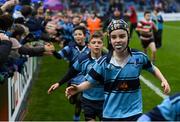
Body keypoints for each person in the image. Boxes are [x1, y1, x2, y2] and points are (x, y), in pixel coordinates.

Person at [65, 19, 171, 121]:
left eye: (122, 36)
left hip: (134, 112)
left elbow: (152, 68)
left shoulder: (139, 57)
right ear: (110, 40)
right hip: (110, 114)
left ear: (128, 36)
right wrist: (78, 88)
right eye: (114, 37)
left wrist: (163, 80)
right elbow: (91, 82)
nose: (118, 40)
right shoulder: (103, 62)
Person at [48, 31, 105, 121]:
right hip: (88, 100)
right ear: (89, 45)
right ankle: (76, 117)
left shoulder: (108, 61)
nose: (96, 45)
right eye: (94, 43)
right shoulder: (82, 59)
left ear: (102, 45)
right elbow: (71, 72)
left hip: (104, 100)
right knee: (77, 102)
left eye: (99, 43)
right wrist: (59, 83)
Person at [51, 25, 90, 121]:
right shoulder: (70, 47)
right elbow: (59, 56)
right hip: (73, 78)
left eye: (80, 34)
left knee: (79, 100)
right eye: (75, 34)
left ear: (84, 36)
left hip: (86, 79)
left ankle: (77, 117)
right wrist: (53, 51)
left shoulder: (90, 48)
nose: (77, 36)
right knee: (74, 101)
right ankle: (78, 112)